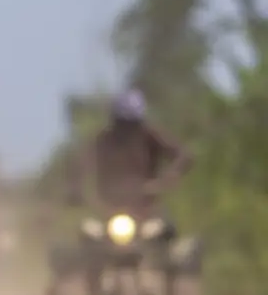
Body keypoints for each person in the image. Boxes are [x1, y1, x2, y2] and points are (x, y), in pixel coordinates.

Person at [79, 89, 189, 217]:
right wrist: (76, 188)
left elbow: (183, 155)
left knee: (167, 230)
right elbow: (81, 162)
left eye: (132, 124)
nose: (126, 130)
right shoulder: (103, 139)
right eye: (122, 124)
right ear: (114, 121)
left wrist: (171, 173)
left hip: (147, 207)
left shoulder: (150, 135)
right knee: (87, 231)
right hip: (107, 209)